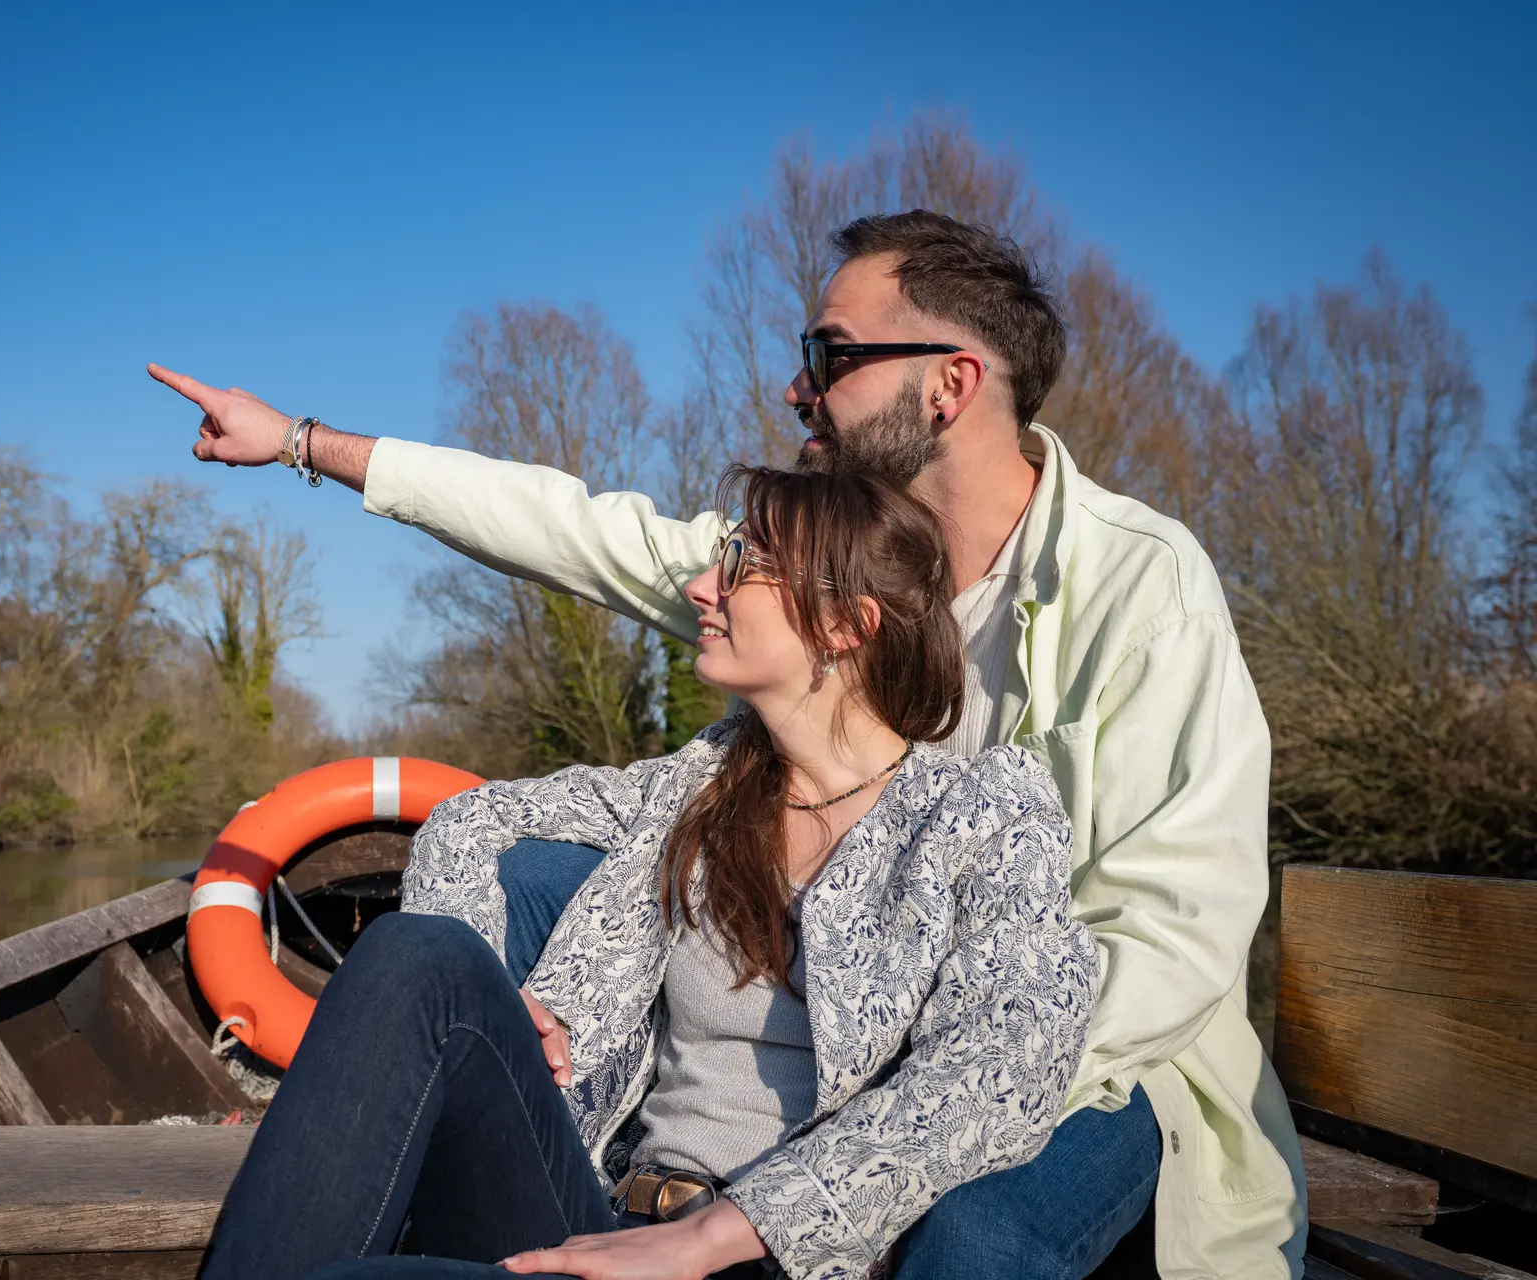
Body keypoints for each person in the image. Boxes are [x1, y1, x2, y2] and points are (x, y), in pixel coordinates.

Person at [149, 209, 1309, 1280]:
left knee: (980, 1218)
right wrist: (303, 440)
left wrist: (908, 1071)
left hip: (1097, 1058)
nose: (797, 387)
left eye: (831, 354)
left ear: (951, 384)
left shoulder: (1138, 588)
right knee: (509, 893)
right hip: (809, 1076)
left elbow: (1172, 936)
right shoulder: (803, 579)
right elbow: (579, 532)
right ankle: (529, 1125)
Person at [198, 465, 1098, 1280]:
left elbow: (1005, 1066)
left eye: (742, 565)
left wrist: (713, 1237)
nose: (702, 587)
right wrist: (506, 996)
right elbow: (472, 818)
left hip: (761, 1258)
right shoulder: (701, 782)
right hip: (595, 1214)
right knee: (416, 953)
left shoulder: (981, 811)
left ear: (845, 624)